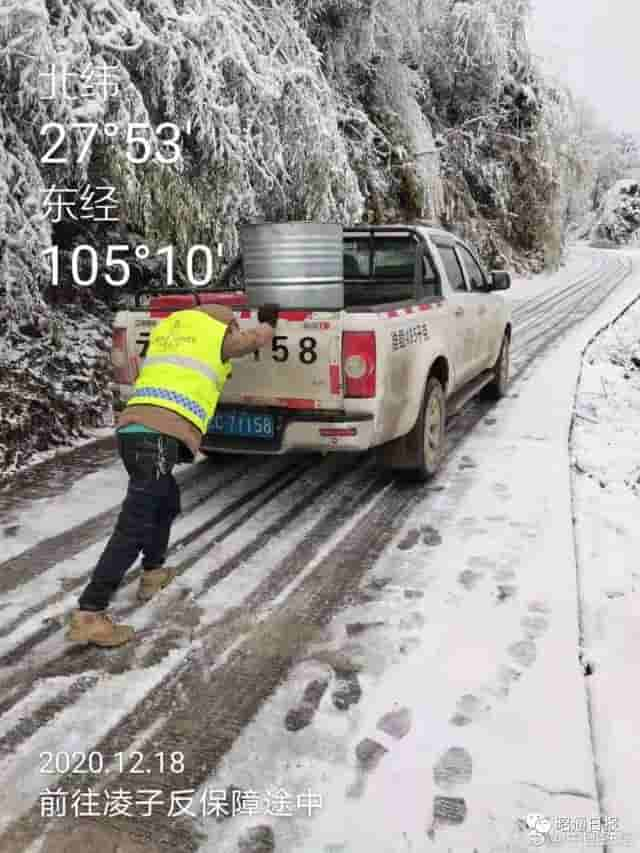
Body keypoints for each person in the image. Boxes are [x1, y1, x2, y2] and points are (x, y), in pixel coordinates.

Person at [67, 303, 276, 647]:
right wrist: (269, 321)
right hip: (158, 438)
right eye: (232, 327)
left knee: (165, 500)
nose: (234, 332)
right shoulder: (216, 333)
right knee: (135, 523)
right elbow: (253, 340)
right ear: (224, 323)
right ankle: (90, 611)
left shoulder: (169, 333)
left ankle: (153, 573)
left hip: (133, 430)